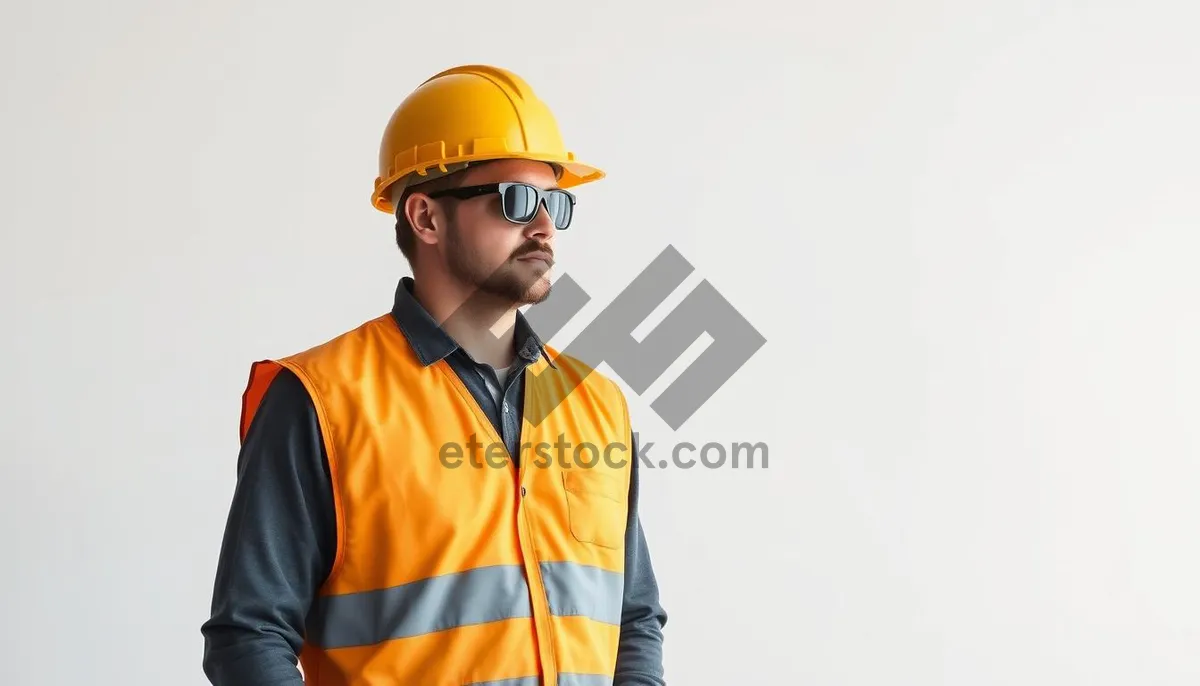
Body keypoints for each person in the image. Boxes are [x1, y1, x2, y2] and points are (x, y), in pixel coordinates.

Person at [200, 64, 668, 686]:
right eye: (516, 200)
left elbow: (633, 618)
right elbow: (249, 636)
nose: (545, 227)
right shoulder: (321, 400)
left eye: (557, 201)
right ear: (425, 218)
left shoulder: (596, 402)